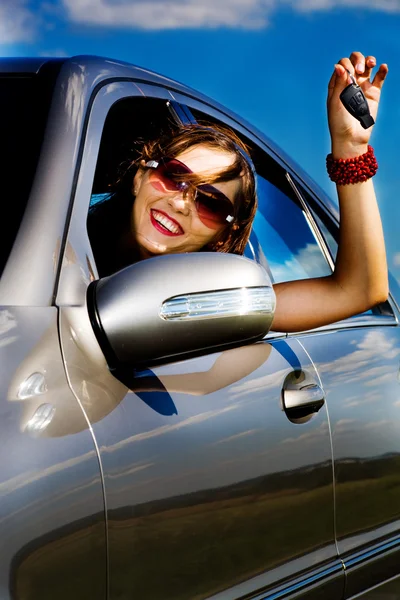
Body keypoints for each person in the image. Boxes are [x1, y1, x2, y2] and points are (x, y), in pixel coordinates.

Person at [88, 50, 389, 334]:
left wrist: (351, 147)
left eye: (210, 203)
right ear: (140, 176)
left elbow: (360, 289)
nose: (180, 203)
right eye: (173, 175)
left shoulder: (214, 306)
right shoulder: (51, 241)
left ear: (223, 237)